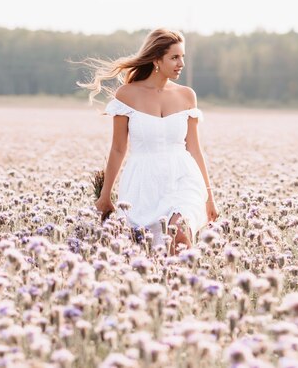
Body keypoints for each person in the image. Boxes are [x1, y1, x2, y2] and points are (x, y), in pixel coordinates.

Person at [78, 28, 219, 254]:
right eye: (174, 57)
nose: (181, 63)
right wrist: (105, 195)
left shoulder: (187, 95)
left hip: (183, 177)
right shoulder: (127, 95)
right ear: (156, 60)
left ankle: (186, 286)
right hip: (143, 183)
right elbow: (117, 149)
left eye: (182, 56)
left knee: (179, 235)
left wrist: (209, 197)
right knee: (146, 251)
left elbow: (194, 149)